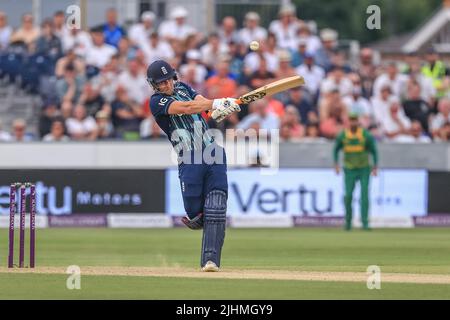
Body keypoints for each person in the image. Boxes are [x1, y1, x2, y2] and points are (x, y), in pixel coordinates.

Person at [147, 60, 240, 272]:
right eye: (161, 82)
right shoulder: (157, 102)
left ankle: (211, 261)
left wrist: (219, 108)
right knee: (195, 215)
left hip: (212, 151)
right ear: (154, 85)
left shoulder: (184, 87)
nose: (167, 85)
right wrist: (217, 103)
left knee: (216, 209)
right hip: (188, 159)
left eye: (169, 79)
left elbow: (201, 102)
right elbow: (188, 107)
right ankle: (203, 224)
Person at [333, 113, 378, 231]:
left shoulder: (365, 135)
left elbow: (374, 150)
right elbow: (336, 149)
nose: (353, 123)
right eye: (351, 120)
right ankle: (348, 222)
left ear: (358, 121)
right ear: (348, 122)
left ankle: (365, 223)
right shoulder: (343, 135)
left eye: (355, 120)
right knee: (348, 196)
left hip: (364, 168)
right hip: (349, 169)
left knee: (364, 196)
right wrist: (336, 164)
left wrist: (375, 166)